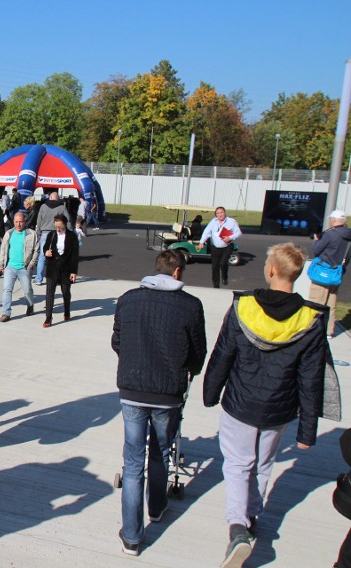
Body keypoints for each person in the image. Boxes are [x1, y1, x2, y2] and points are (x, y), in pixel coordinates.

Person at [203, 242, 335, 568]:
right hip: (280, 408)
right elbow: (311, 378)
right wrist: (307, 431)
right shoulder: (310, 318)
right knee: (263, 464)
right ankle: (251, 518)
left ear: (271, 270)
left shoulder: (244, 306)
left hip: (240, 404)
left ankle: (237, 528)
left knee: (237, 464)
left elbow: (223, 354)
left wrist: (210, 392)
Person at [112, 249, 207, 557]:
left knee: (133, 460)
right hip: (168, 393)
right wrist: (187, 370)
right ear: (177, 272)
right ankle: (157, 506)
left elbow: (117, 341)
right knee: (161, 451)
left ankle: (131, 536)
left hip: (133, 389)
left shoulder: (128, 299)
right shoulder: (191, 306)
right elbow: (198, 353)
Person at [310, 209, 351, 336]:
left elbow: (316, 250)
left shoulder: (330, 234)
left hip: (323, 271)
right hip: (337, 273)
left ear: (333, 220)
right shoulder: (349, 235)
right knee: (331, 303)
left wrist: (317, 240)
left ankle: (313, 329)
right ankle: (329, 330)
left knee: (316, 302)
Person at [0, 212, 39, 322]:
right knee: (7, 289)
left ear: (25, 222)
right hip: (10, 267)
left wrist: (31, 264)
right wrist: (1, 265)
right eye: (16, 222)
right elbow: (3, 250)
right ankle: (6, 313)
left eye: (21, 222)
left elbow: (36, 250)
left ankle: (30, 305)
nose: (18, 224)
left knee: (27, 290)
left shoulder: (32, 234)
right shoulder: (9, 233)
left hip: (24, 268)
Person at [42, 214, 80, 327]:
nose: (58, 229)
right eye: (56, 226)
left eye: (60, 226)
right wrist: (46, 253)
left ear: (65, 224)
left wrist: (74, 271)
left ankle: (67, 310)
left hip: (66, 268)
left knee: (65, 291)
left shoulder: (72, 236)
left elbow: (74, 255)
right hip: (52, 267)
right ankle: (48, 317)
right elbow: (45, 247)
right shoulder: (51, 235)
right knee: (49, 293)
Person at [196, 206, 242, 288]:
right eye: (218, 213)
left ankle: (224, 277)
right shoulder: (213, 222)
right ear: (216, 215)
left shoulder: (231, 222)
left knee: (223, 263)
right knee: (215, 267)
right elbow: (207, 231)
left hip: (226, 247)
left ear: (225, 213)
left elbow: (238, 233)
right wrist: (202, 242)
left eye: (221, 212)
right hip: (215, 248)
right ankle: (216, 285)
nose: (220, 214)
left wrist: (230, 237)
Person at [34, 190, 69, 286]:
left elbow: (39, 221)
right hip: (57, 233)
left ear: (50, 197)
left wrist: (38, 233)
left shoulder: (43, 206)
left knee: (42, 256)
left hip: (45, 233)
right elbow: (68, 220)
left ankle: (39, 279)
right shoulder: (62, 208)